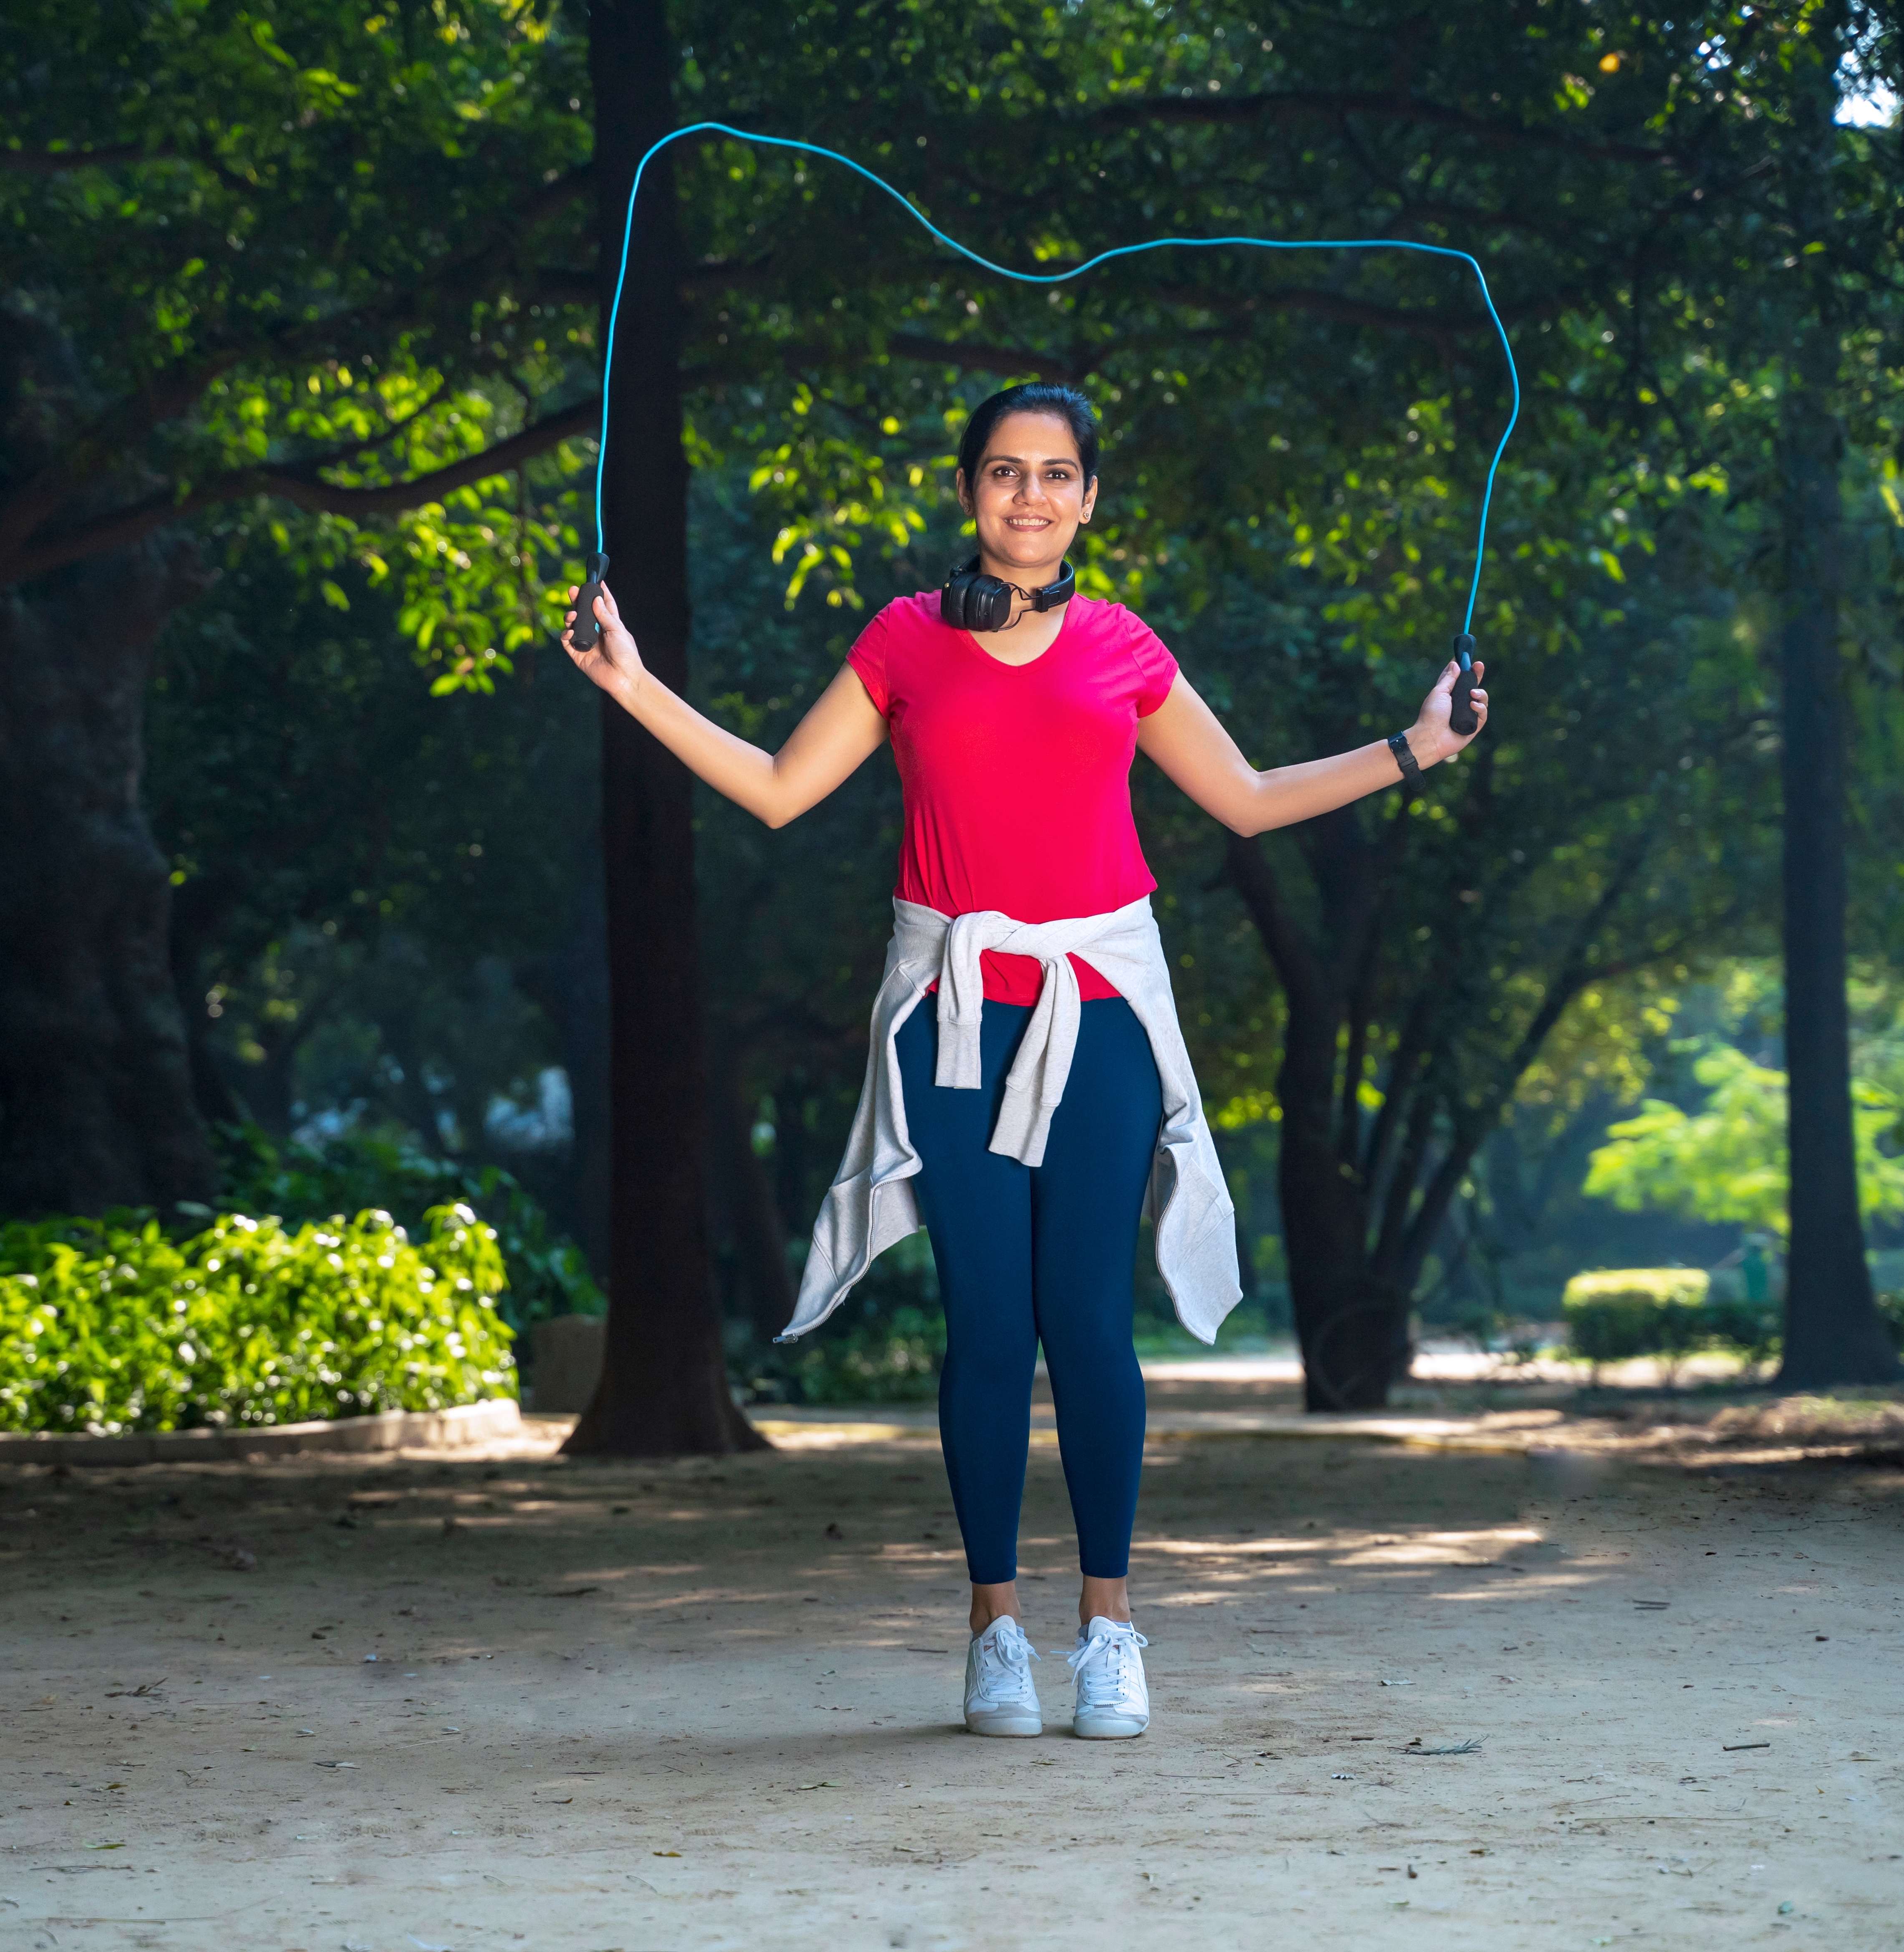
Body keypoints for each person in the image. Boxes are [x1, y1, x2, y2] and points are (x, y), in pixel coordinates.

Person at [560, 381, 1487, 1740]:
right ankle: (994, 1631)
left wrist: (1420, 746)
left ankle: (1109, 1628)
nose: (1031, 495)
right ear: (967, 491)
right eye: (1005, 471)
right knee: (990, 1326)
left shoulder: (1123, 647)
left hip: (1099, 1017)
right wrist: (630, 682)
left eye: (1057, 474)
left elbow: (1245, 800)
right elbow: (776, 789)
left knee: (1090, 1323)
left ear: (1090, 499)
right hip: (952, 1018)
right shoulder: (904, 640)